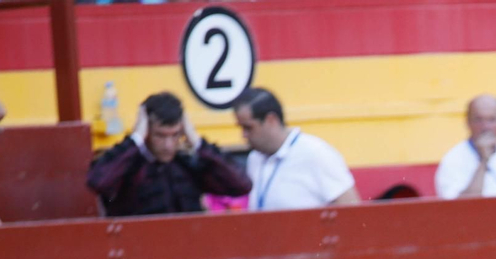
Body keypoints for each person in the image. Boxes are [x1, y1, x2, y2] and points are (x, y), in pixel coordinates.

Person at [86, 92, 251, 217]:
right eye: (160, 135)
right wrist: (135, 138)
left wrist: (197, 141)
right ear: (147, 131)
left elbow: (241, 185)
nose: (168, 145)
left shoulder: (187, 164)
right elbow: (97, 182)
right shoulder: (129, 165)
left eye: (175, 135)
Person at [233, 87, 359, 211]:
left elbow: (352, 210)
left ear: (271, 120)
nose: (244, 135)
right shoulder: (255, 158)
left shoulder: (315, 153)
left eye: (248, 127)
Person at [434, 94, 496, 199]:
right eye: (479, 120)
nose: (486, 127)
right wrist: (484, 161)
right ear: (467, 122)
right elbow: (457, 207)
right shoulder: (453, 159)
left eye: (492, 120)